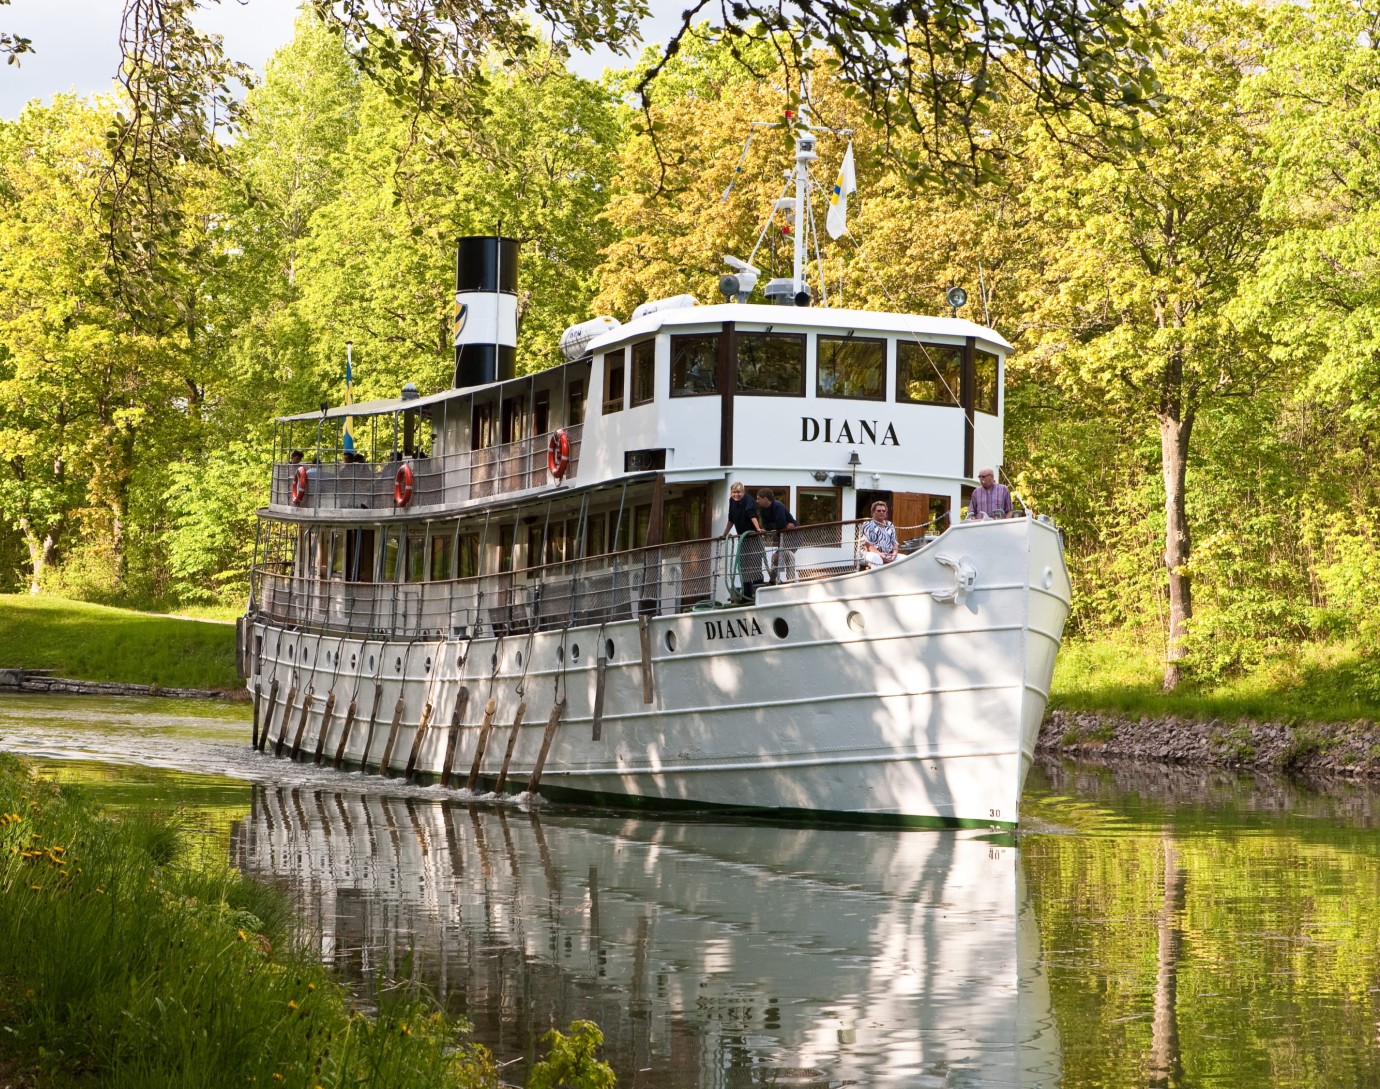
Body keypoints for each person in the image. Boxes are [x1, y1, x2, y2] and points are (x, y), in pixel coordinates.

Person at [753, 488, 798, 584]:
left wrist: (777, 526)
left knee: (786, 555)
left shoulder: (778, 506)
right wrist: (778, 526)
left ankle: (789, 581)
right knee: (777, 557)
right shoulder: (763, 510)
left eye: (758, 498)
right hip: (782, 537)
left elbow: (780, 524)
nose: (757, 501)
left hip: (793, 537)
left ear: (765, 498)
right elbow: (766, 525)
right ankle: (773, 581)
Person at [860, 500, 899, 567]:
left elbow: (895, 543)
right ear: (872, 513)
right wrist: (880, 554)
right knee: (877, 558)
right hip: (868, 554)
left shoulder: (890, 524)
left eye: (884, 511)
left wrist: (894, 553)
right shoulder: (867, 525)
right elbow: (866, 545)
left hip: (888, 554)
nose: (881, 512)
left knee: (904, 559)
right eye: (878, 511)